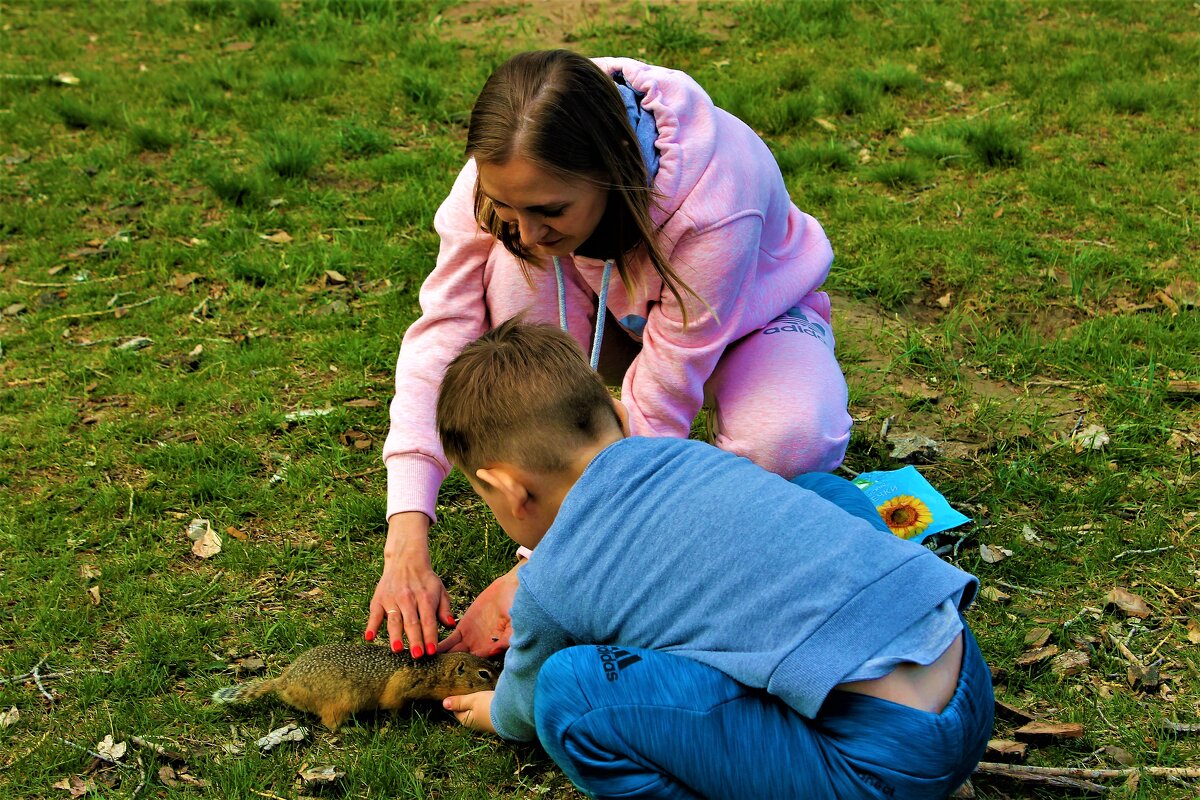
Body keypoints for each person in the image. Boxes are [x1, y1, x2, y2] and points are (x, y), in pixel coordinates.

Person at [367, 49, 853, 660]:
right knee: (507, 270)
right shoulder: (514, 169)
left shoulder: (713, 200)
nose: (525, 229)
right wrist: (406, 532)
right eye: (505, 206)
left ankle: (603, 480)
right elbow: (441, 333)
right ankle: (565, 459)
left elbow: (665, 392)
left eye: (548, 210)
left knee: (790, 442)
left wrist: (543, 570)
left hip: (749, 322)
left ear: (611, 170)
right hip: (606, 305)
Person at [437, 321, 993, 800]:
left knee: (570, 691)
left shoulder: (551, 584)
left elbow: (524, 701)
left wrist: (494, 712)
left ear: (507, 489)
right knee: (821, 489)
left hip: (871, 768)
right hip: (967, 684)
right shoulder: (689, 456)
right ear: (618, 413)